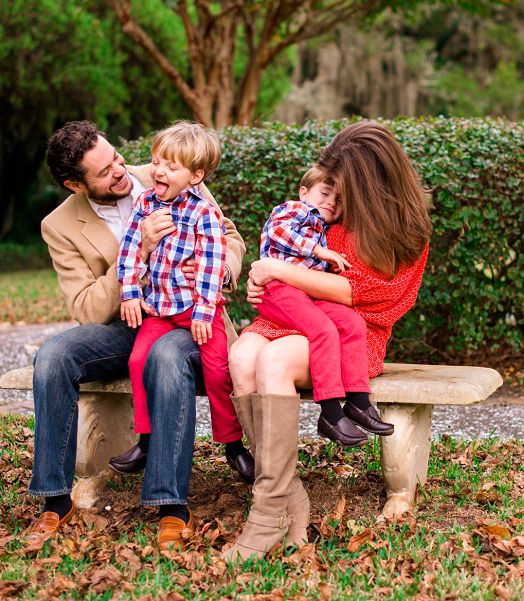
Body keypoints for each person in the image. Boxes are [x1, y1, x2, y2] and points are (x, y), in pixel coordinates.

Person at [27, 120, 248, 551]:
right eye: (105, 171)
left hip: (189, 319)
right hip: (123, 324)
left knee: (166, 354)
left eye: (116, 157)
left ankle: (171, 506)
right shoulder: (59, 225)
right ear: (76, 185)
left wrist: (219, 271)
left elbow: (230, 237)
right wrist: (140, 250)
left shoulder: (171, 172)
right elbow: (87, 307)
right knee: (52, 356)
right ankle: (55, 499)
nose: (121, 169)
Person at [222, 121, 432, 562]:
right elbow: (290, 260)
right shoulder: (327, 215)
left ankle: (264, 517)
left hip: (353, 331)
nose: (335, 196)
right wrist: (270, 280)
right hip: (297, 313)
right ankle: (288, 497)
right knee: (241, 356)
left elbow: (361, 293)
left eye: (345, 186)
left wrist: (276, 271)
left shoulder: (405, 232)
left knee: (274, 362)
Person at [113, 121, 253, 484]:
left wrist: (206, 312)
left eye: (171, 167)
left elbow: (210, 264)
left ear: (195, 177)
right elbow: (129, 250)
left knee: (220, 373)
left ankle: (233, 444)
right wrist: (130, 292)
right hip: (160, 309)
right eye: (157, 161)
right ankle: (145, 440)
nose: (158, 171)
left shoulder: (202, 213)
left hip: (199, 311)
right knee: (138, 360)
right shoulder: (144, 204)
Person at [256, 166, 395, 448]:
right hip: (279, 291)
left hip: (305, 295)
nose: (331, 201)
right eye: (325, 193)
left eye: (339, 199)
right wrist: (319, 252)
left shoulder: (324, 228)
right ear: (304, 193)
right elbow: (277, 233)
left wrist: (327, 261)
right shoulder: (294, 210)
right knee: (323, 330)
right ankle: (330, 413)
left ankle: (358, 402)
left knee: (352, 323)